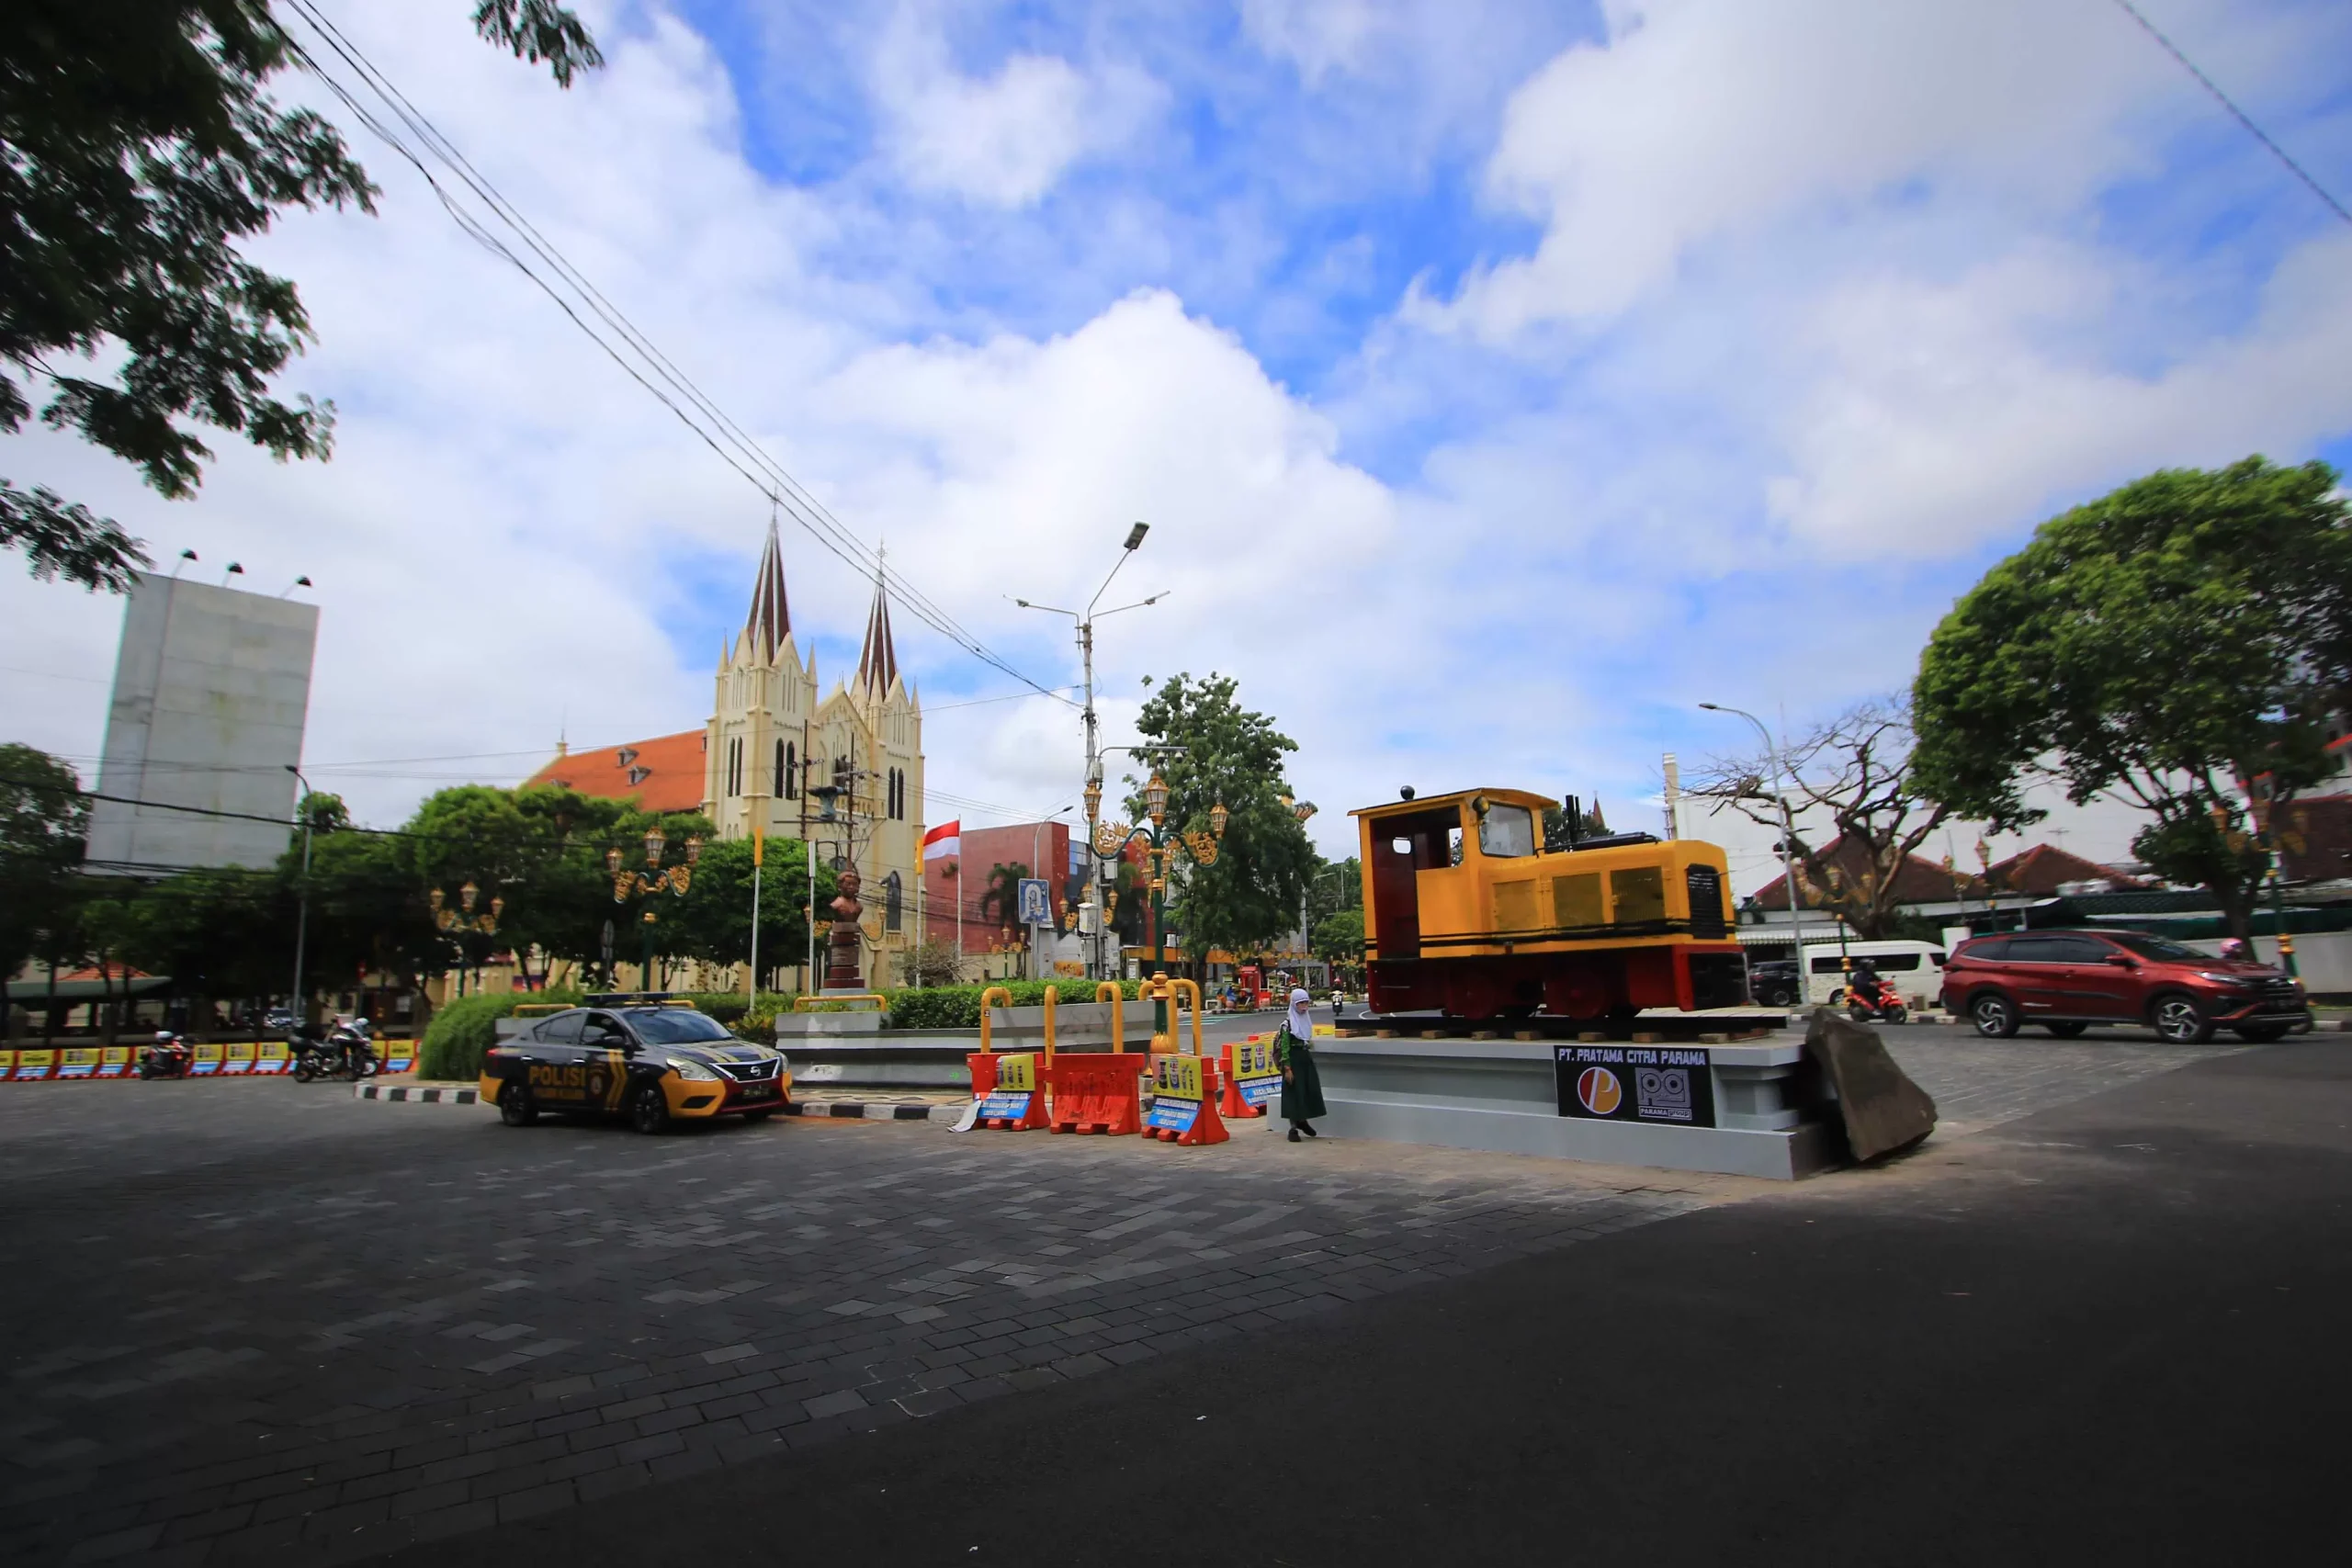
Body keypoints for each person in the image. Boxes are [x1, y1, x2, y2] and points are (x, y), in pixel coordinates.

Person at [1275, 987, 1326, 1142]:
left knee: (1308, 1090)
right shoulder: (1287, 1025)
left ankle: (1303, 1121)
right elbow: (1284, 1047)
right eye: (1300, 1003)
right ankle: (1293, 1129)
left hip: (1305, 1059)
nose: (1304, 1006)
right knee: (1294, 1093)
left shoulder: (1306, 1020)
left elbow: (1306, 1039)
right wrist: (1287, 1068)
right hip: (1293, 1060)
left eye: (1306, 1003)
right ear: (1294, 1005)